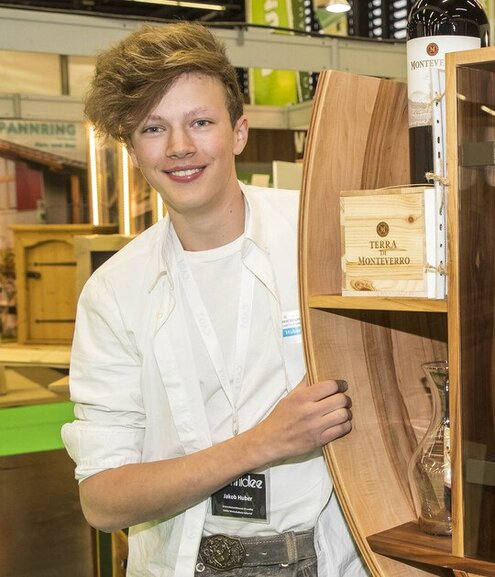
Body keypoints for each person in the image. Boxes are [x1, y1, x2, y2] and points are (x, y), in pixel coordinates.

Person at [60, 22, 368, 577]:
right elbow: (103, 500)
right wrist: (262, 443)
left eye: (200, 122)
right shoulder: (115, 293)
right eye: (154, 129)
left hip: (334, 558)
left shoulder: (321, 234)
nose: (180, 147)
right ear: (133, 151)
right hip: (185, 564)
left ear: (239, 131)